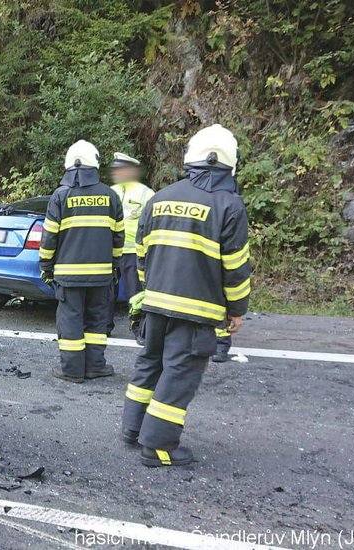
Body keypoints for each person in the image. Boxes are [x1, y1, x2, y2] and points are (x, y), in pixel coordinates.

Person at [120, 124, 252, 467]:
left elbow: (142, 253)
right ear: (228, 163)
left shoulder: (160, 198)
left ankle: (132, 429)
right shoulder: (229, 205)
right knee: (179, 375)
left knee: (150, 364)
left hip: (155, 302)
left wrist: (151, 289)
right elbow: (235, 267)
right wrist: (236, 309)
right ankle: (159, 447)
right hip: (196, 312)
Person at [40, 139, 125, 383]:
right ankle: (95, 366)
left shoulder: (60, 196)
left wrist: (46, 267)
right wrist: (114, 265)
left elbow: (49, 238)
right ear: (95, 165)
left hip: (69, 277)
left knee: (71, 322)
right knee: (97, 321)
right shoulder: (110, 196)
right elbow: (119, 237)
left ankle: (72, 370)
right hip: (101, 275)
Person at [108, 152, 155, 337]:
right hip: (111, 250)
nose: (117, 173)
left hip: (133, 251)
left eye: (120, 169)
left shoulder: (146, 193)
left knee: (135, 293)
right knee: (107, 291)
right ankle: (104, 327)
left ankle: (139, 329)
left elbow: (153, 222)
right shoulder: (111, 191)